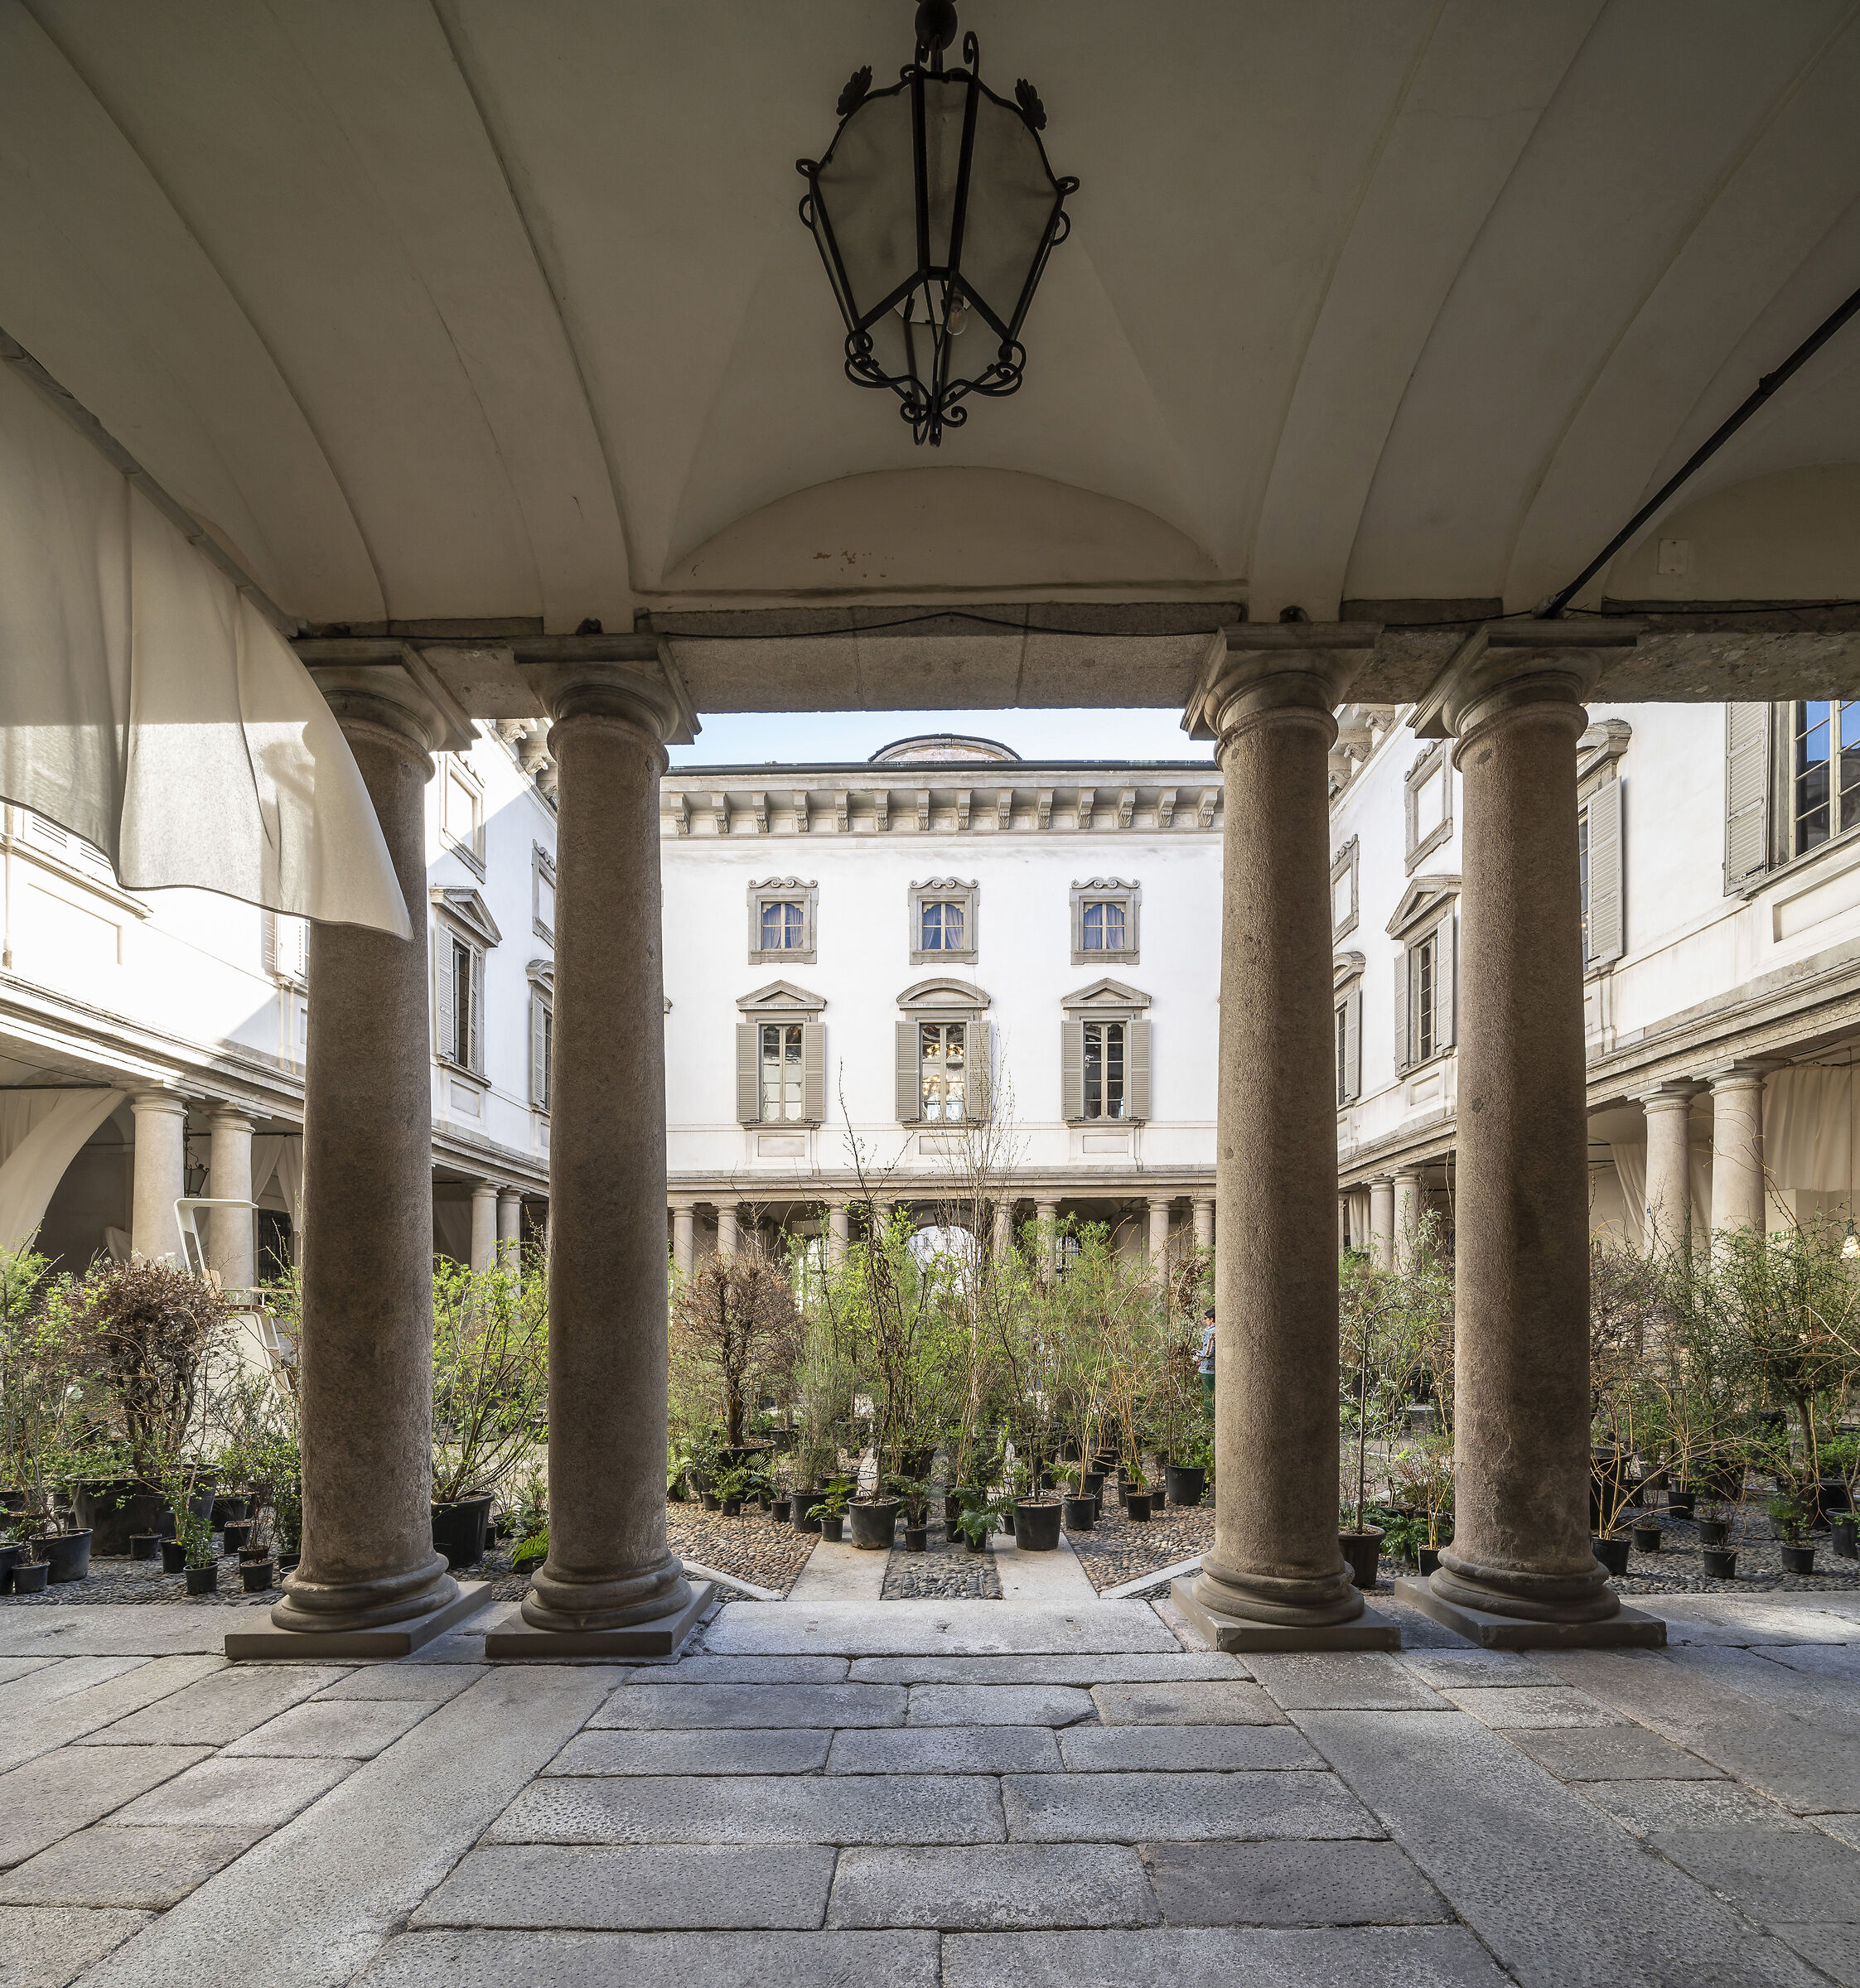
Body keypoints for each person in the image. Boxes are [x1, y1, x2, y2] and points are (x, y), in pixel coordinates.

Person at [1196, 1305, 1216, 1413]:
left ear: (1211, 1319)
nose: (1205, 1321)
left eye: (1206, 1319)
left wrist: (1197, 1354)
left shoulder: (1211, 1332)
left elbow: (1208, 1352)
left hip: (1208, 1368)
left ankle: (1210, 1417)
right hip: (1213, 1367)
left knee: (1208, 1395)